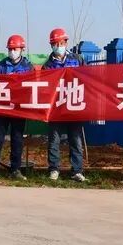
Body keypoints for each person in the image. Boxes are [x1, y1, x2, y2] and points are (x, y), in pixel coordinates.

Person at [0, 34, 32, 181]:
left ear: (21, 49)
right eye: (10, 49)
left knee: (17, 139)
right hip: (3, 107)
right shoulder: (1, 65)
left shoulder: (28, 66)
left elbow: (32, 86)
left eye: (15, 49)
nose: (12, 52)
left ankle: (15, 169)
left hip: (19, 108)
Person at [43, 27, 86, 182]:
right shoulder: (48, 65)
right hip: (56, 107)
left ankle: (77, 170)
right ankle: (54, 169)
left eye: (61, 43)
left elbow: (88, 78)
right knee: (54, 140)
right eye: (55, 44)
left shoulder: (77, 59)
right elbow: (45, 87)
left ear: (66, 43)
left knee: (76, 139)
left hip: (74, 105)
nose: (58, 46)